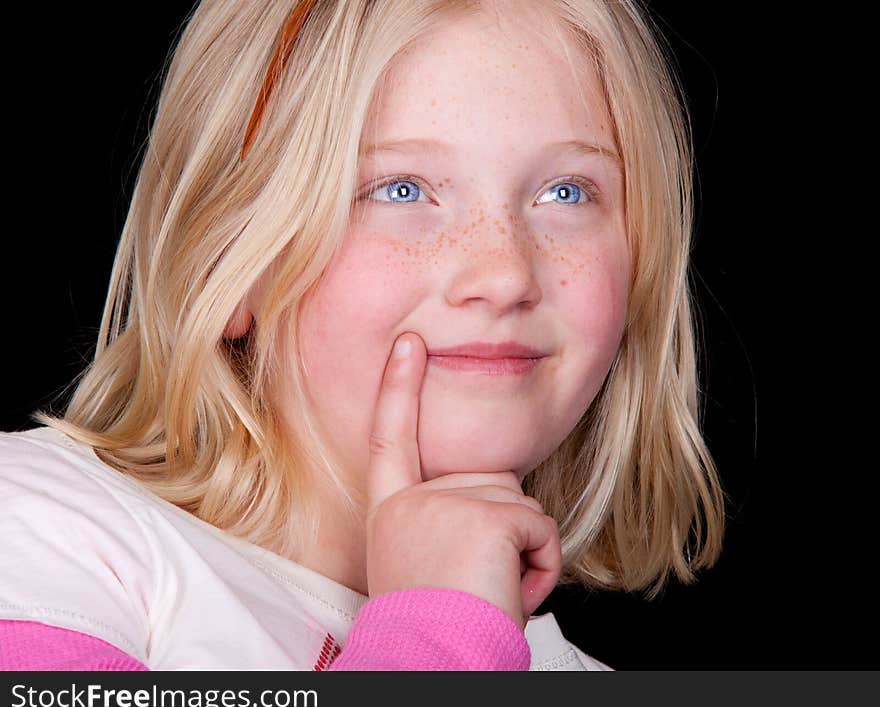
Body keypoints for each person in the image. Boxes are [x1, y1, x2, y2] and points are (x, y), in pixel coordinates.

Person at [0, 0, 725, 671]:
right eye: (401, 189)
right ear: (228, 261)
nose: (505, 274)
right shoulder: (45, 537)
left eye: (566, 192)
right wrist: (442, 627)